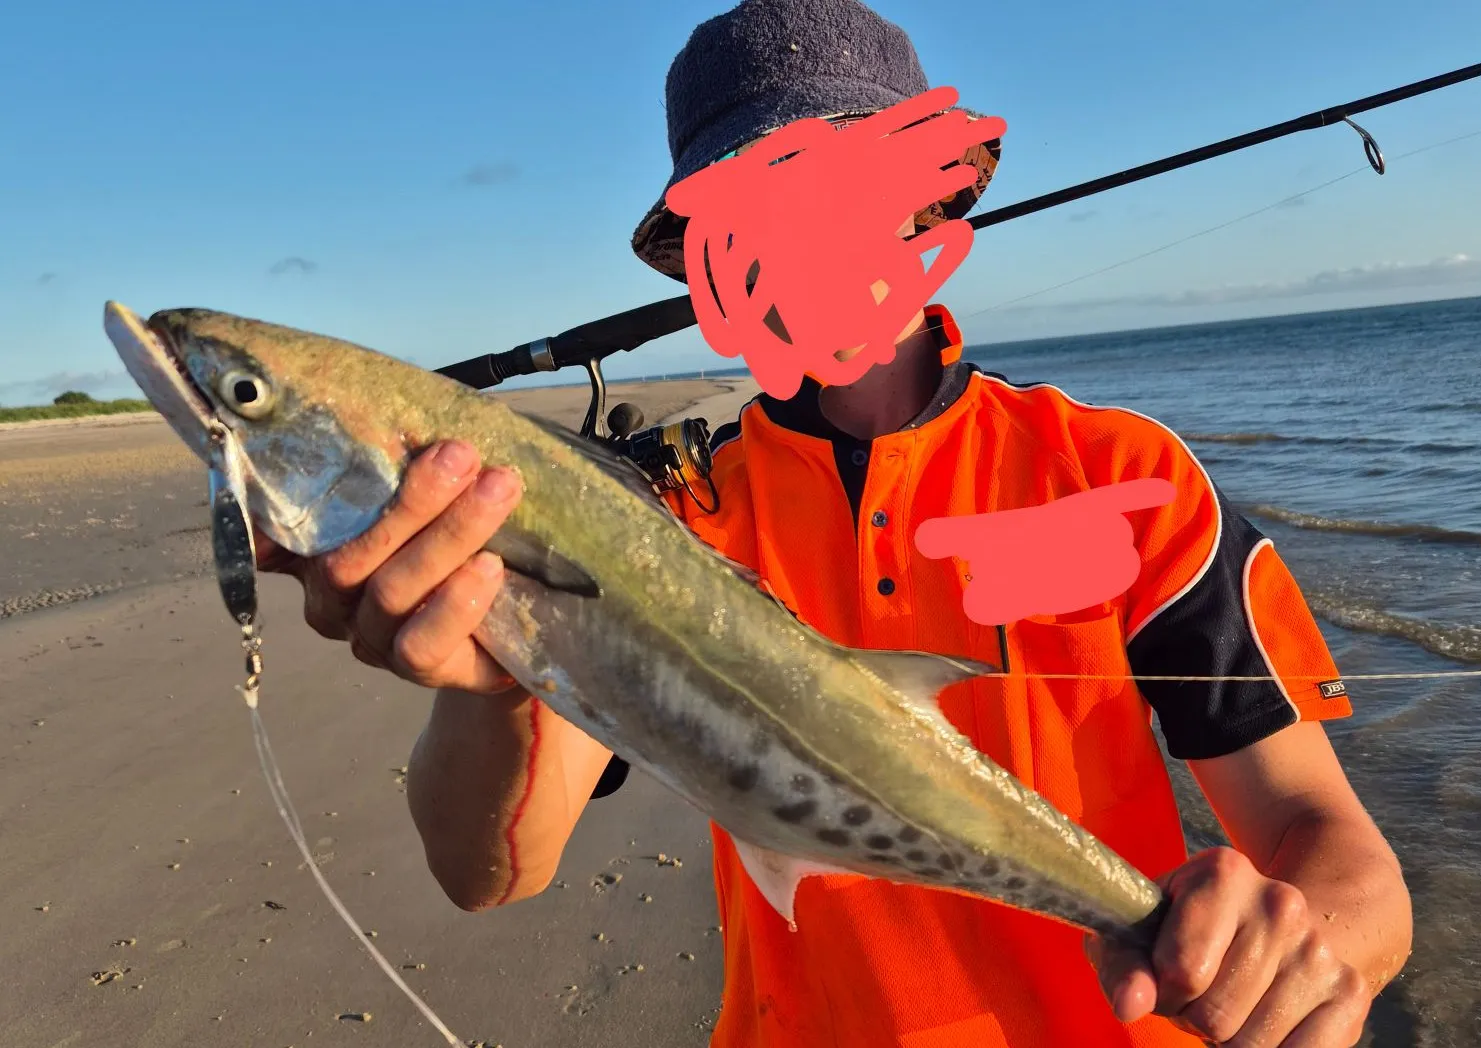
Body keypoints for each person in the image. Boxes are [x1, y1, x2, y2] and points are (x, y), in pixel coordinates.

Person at [256, 2, 1413, 1045]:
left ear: (933, 198)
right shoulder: (673, 515)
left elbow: (1340, 853)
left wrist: (1300, 954)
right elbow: (490, 869)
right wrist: (495, 668)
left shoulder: (1124, 476)